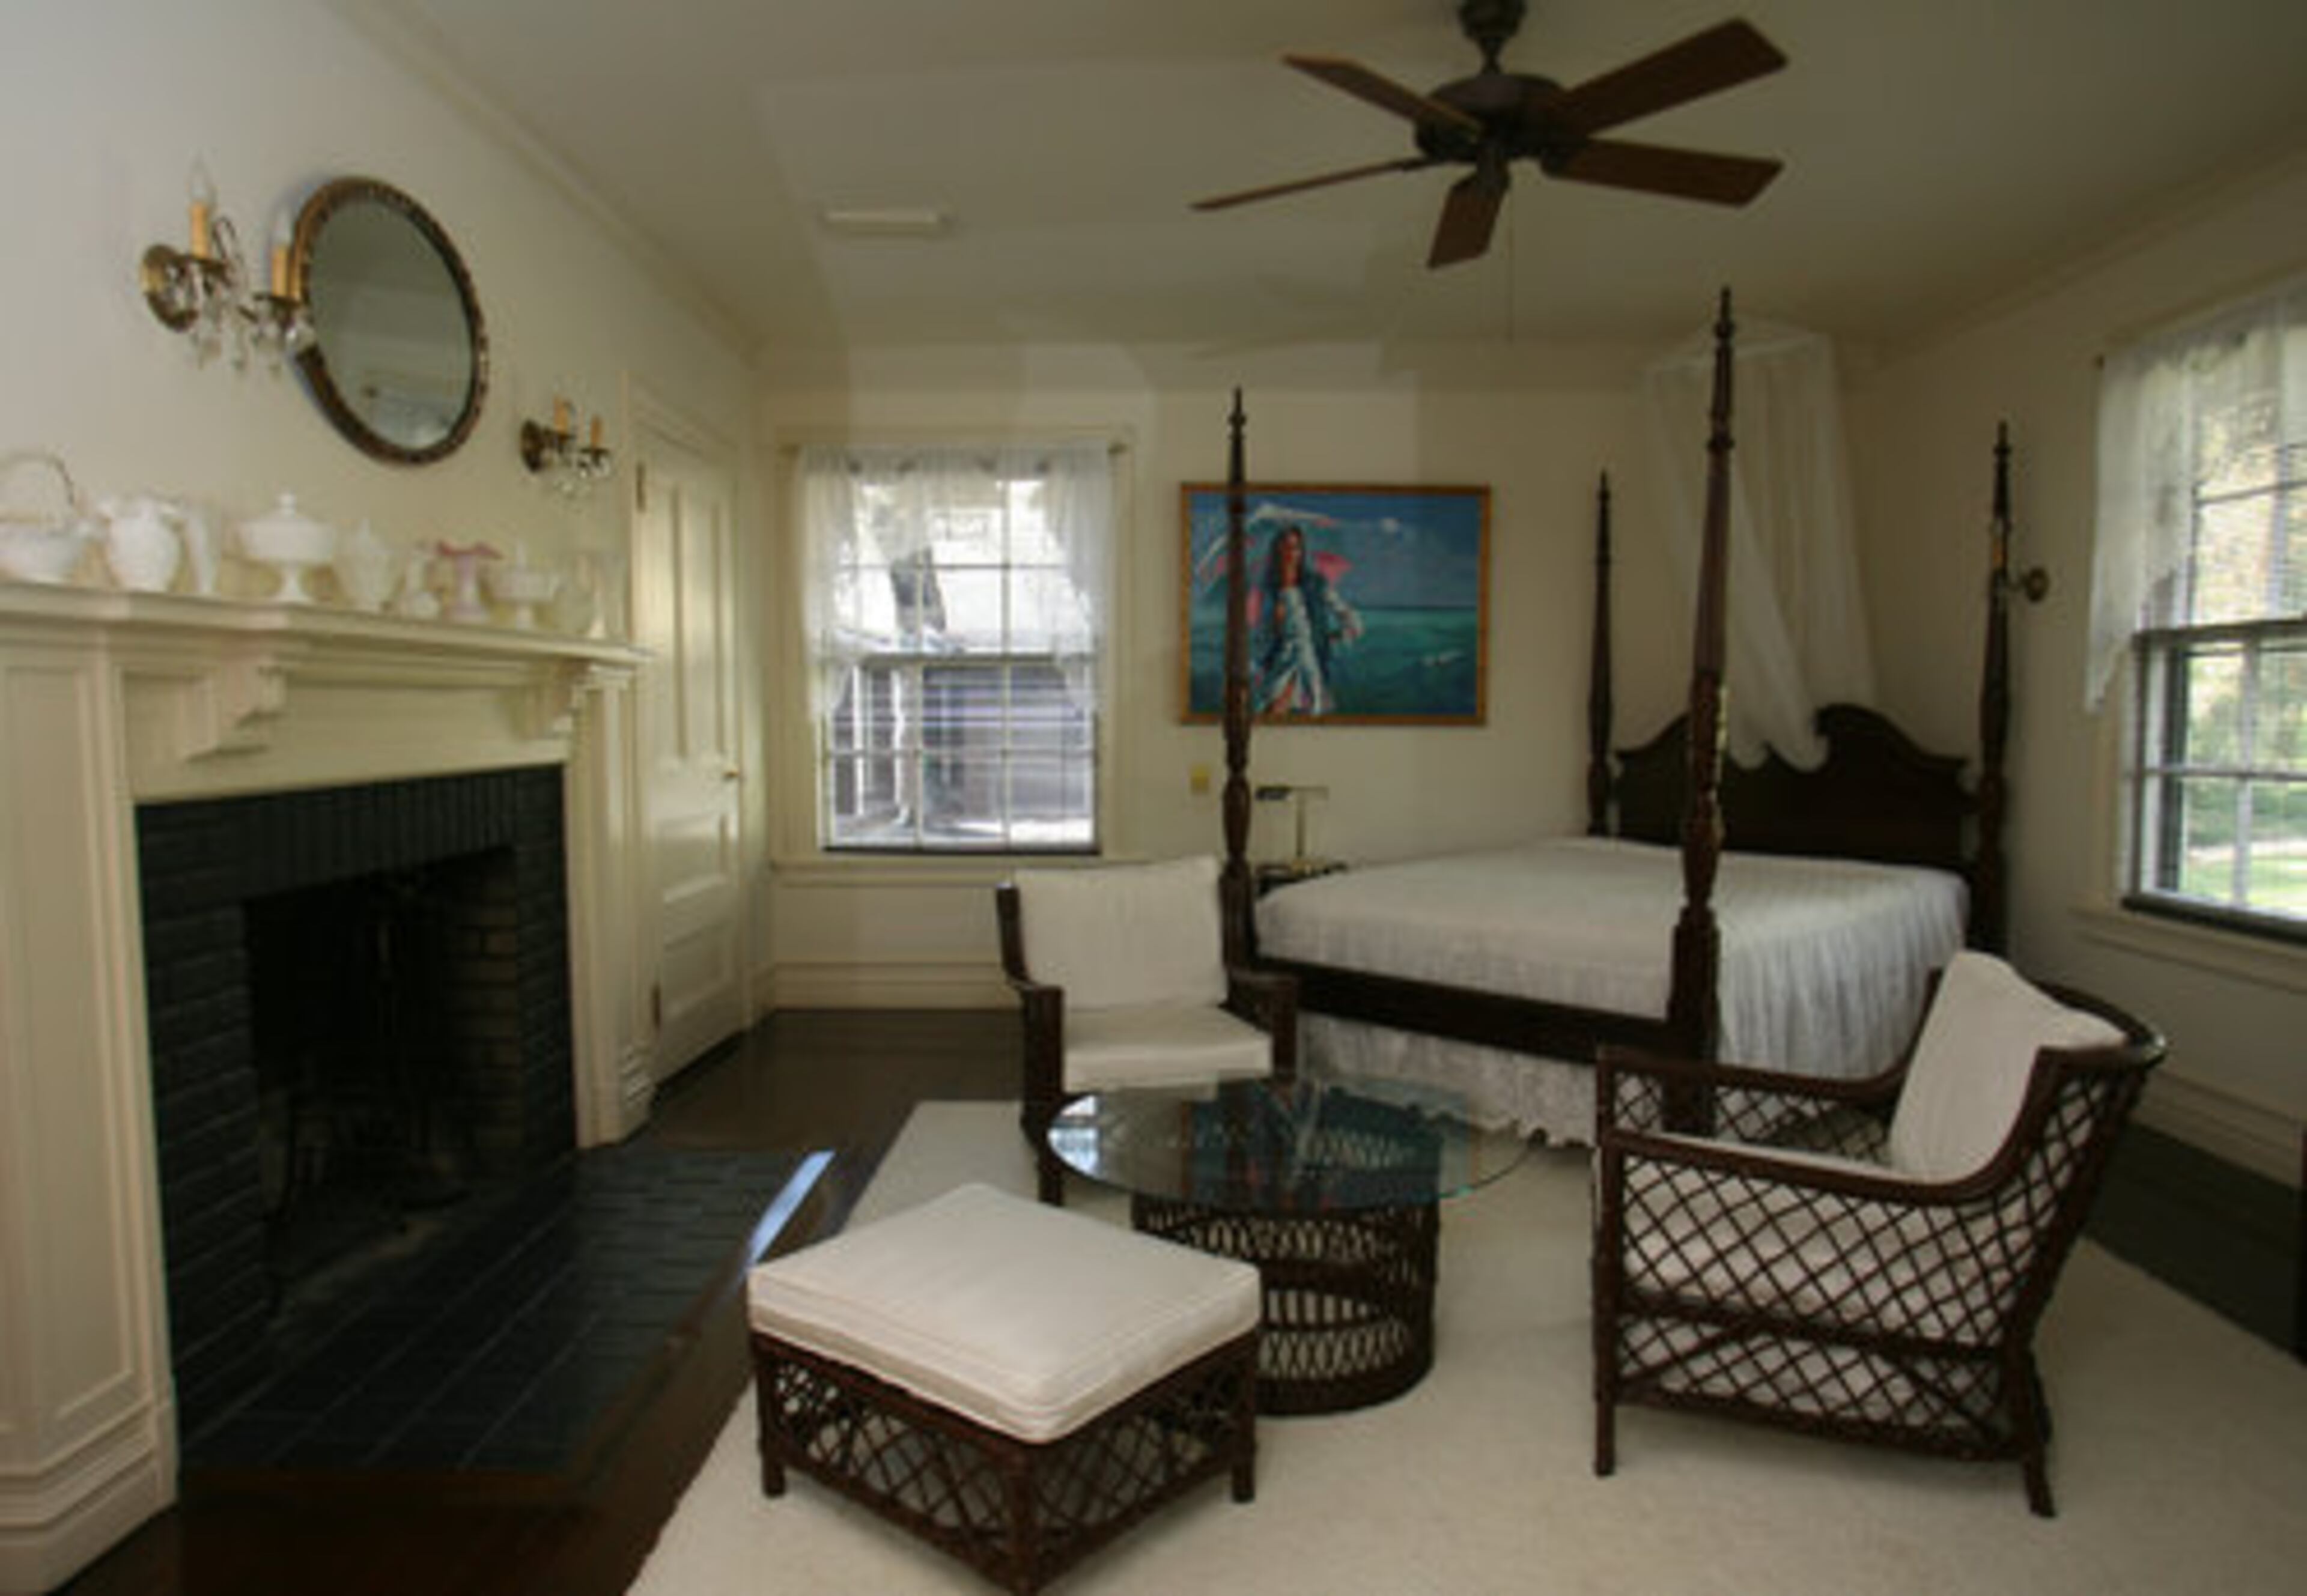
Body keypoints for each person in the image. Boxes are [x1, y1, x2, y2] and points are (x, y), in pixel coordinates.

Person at [1256, 524, 1361, 716]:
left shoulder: (1315, 583)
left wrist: (1340, 634)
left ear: (1301, 551)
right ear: (1277, 550)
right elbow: (1264, 635)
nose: (1290, 553)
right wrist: (1275, 623)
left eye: (1295, 548)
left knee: (1310, 709)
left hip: (1309, 658)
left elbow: (1345, 612)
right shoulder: (1270, 588)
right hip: (1282, 659)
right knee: (1271, 711)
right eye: (1285, 547)